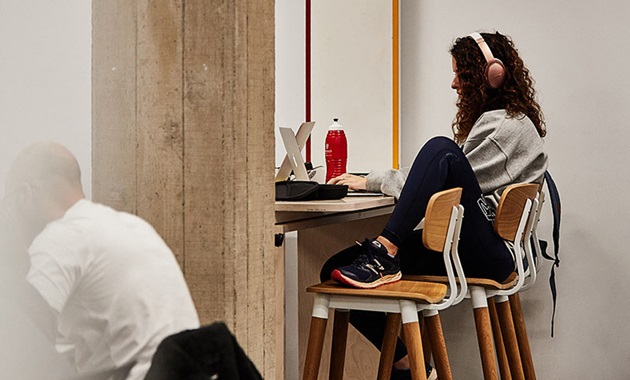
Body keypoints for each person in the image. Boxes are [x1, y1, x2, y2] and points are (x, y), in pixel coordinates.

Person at [324, 31, 548, 379]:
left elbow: (440, 185)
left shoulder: (506, 127)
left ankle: (384, 251)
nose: (455, 84)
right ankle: (407, 366)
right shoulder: (506, 122)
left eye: (462, 74)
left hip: (490, 256)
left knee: (441, 148)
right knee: (335, 269)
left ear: (492, 73)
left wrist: (371, 180)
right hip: (484, 248)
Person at [1, 142, 200, 380]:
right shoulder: (135, 227)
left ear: (26, 194)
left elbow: (20, 342)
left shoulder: (60, 238)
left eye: (9, 205)